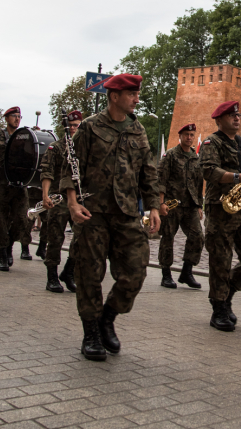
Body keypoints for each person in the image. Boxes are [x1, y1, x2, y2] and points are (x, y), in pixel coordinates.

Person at [61, 74, 160, 361]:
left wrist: (154, 207)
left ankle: (108, 317)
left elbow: (148, 172)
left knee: (136, 271)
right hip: (93, 212)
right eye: (131, 94)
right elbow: (70, 166)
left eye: (137, 94)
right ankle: (91, 332)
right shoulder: (90, 127)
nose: (136, 99)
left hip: (126, 212)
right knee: (89, 274)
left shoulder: (138, 130)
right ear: (114, 96)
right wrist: (72, 203)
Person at [199, 100, 241, 332]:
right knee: (221, 260)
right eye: (231, 116)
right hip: (221, 208)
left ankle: (228, 294)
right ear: (219, 120)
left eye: (238, 115)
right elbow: (208, 170)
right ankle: (218, 308)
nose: (237, 118)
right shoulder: (211, 142)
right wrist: (237, 177)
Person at [40, 109, 83, 293]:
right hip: (59, 197)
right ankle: (52, 277)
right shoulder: (56, 147)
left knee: (82, 237)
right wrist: (45, 195)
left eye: (76, 126)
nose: (73, 129)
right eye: (71, 125)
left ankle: (68, 272)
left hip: (78, 198)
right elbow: (47, 171)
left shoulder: (83, 147)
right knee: (55, 238)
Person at [157, 123, 204, 289]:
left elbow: (199, 183)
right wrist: (161, 203)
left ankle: (186, 272)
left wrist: (199, 206)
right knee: (168, 237)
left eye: (191, 135)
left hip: (190, 205)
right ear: (180, 136)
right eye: (186, 135)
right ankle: (166, 274)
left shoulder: (196, 157)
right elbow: (161, 180)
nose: (189, 138)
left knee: (198, 236)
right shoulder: (170, 155)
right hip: (172, 204)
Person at [0, 106, 29, 270]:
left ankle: (10, 245)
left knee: (22, 219)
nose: (17, 119)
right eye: (14, 116)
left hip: (19, 184)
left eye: (19, 116)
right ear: (6, 118)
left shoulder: (24, 136)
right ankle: (3, 256)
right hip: (1, 183)